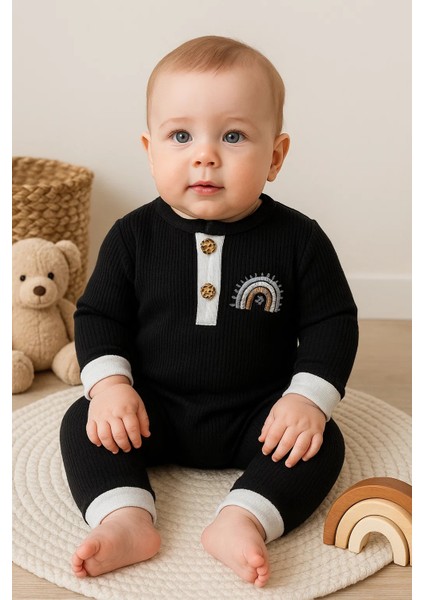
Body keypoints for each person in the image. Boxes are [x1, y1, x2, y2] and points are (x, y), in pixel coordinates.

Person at [60, 35, 358, 588]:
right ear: (151, 150)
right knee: (83, 422)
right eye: (181, 136)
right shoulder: (132, 237)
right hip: (151, 409)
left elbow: (332, 324)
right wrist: (110, 387)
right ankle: (125, 516)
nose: (205, 155)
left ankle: (244, 516)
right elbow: (99, 316)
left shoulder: (300, 240)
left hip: (259, 413)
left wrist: (305, 400)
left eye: (233, 136)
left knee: (322, 441)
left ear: (275, 156)